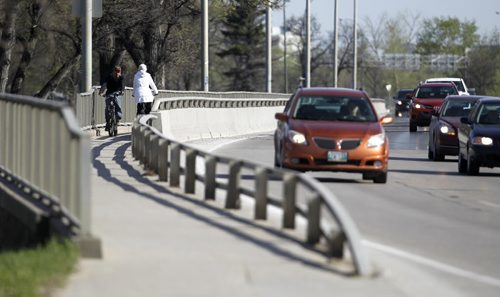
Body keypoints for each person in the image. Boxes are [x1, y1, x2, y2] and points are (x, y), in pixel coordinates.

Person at [100, 66, 124, 131]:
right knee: (108, 107)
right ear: (113, 72)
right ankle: (108, 122)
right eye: (116, 71)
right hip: (109, 93)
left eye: (119, 72)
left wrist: (122, 91)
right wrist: (101, 92)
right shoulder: (109, 77)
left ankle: (117, 119)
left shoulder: (121, 78)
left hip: (117, 93)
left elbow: (122, 86)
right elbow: (104, 85)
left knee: (118, 106)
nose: (117, 73)